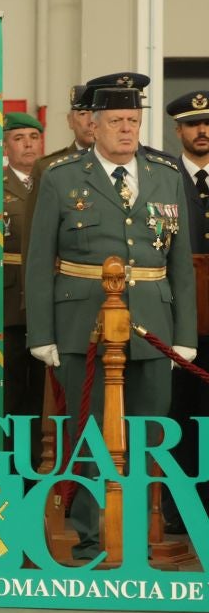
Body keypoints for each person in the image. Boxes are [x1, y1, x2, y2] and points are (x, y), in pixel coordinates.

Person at [25, 72, 197, 560]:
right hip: (81, 325)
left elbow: (179, 262)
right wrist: (42, 333)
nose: (127, 129)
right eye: (117, 121)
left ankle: (143, 529)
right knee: (88, 431)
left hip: (153, 326)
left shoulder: (164, 174)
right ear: (93, 125)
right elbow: (40, 259)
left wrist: (184, 335)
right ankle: (89, 531)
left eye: (133, 120)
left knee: (150, 430)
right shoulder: (62, 178)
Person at [164, 90, 209, 530]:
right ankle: (178, 511)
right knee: (179, 415)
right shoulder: (162, 176)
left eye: (208, 122)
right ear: (178, 130)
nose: (203, 131)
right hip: (180, 319)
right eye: (193, 124)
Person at [0, 111, 45, 427]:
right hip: (10, 301)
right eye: (18, 139)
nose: (28, 145)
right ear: (5, 147)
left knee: (45, 393)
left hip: (47, 298)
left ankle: (42, 463)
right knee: (11, 386)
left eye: (33, 137)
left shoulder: (57, 179)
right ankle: (8, 463)